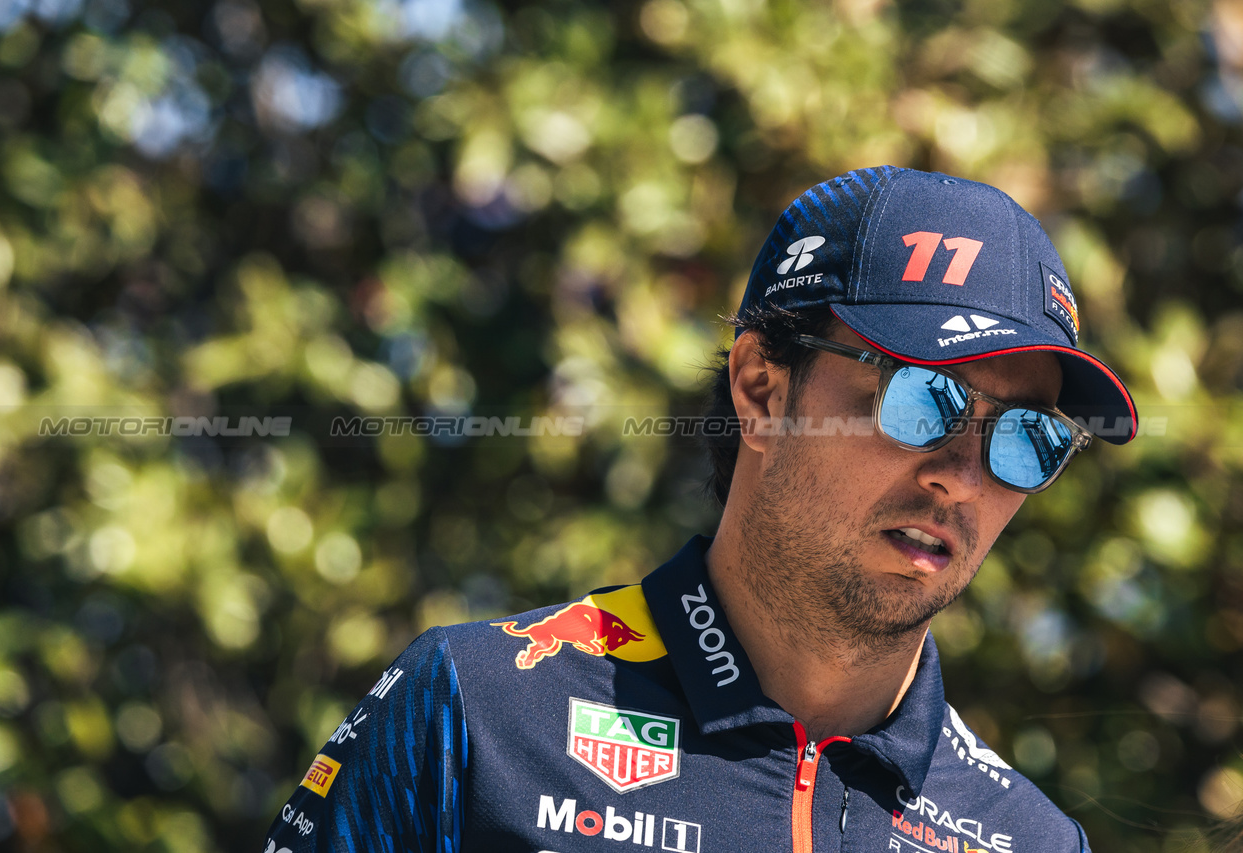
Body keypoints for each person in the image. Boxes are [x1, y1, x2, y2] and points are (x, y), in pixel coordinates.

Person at [262, 166, 1137, 853]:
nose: (964, 478)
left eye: (1028, 437)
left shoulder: (1033, 838)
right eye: (924, 398)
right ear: (761, 386)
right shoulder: (476, 708)